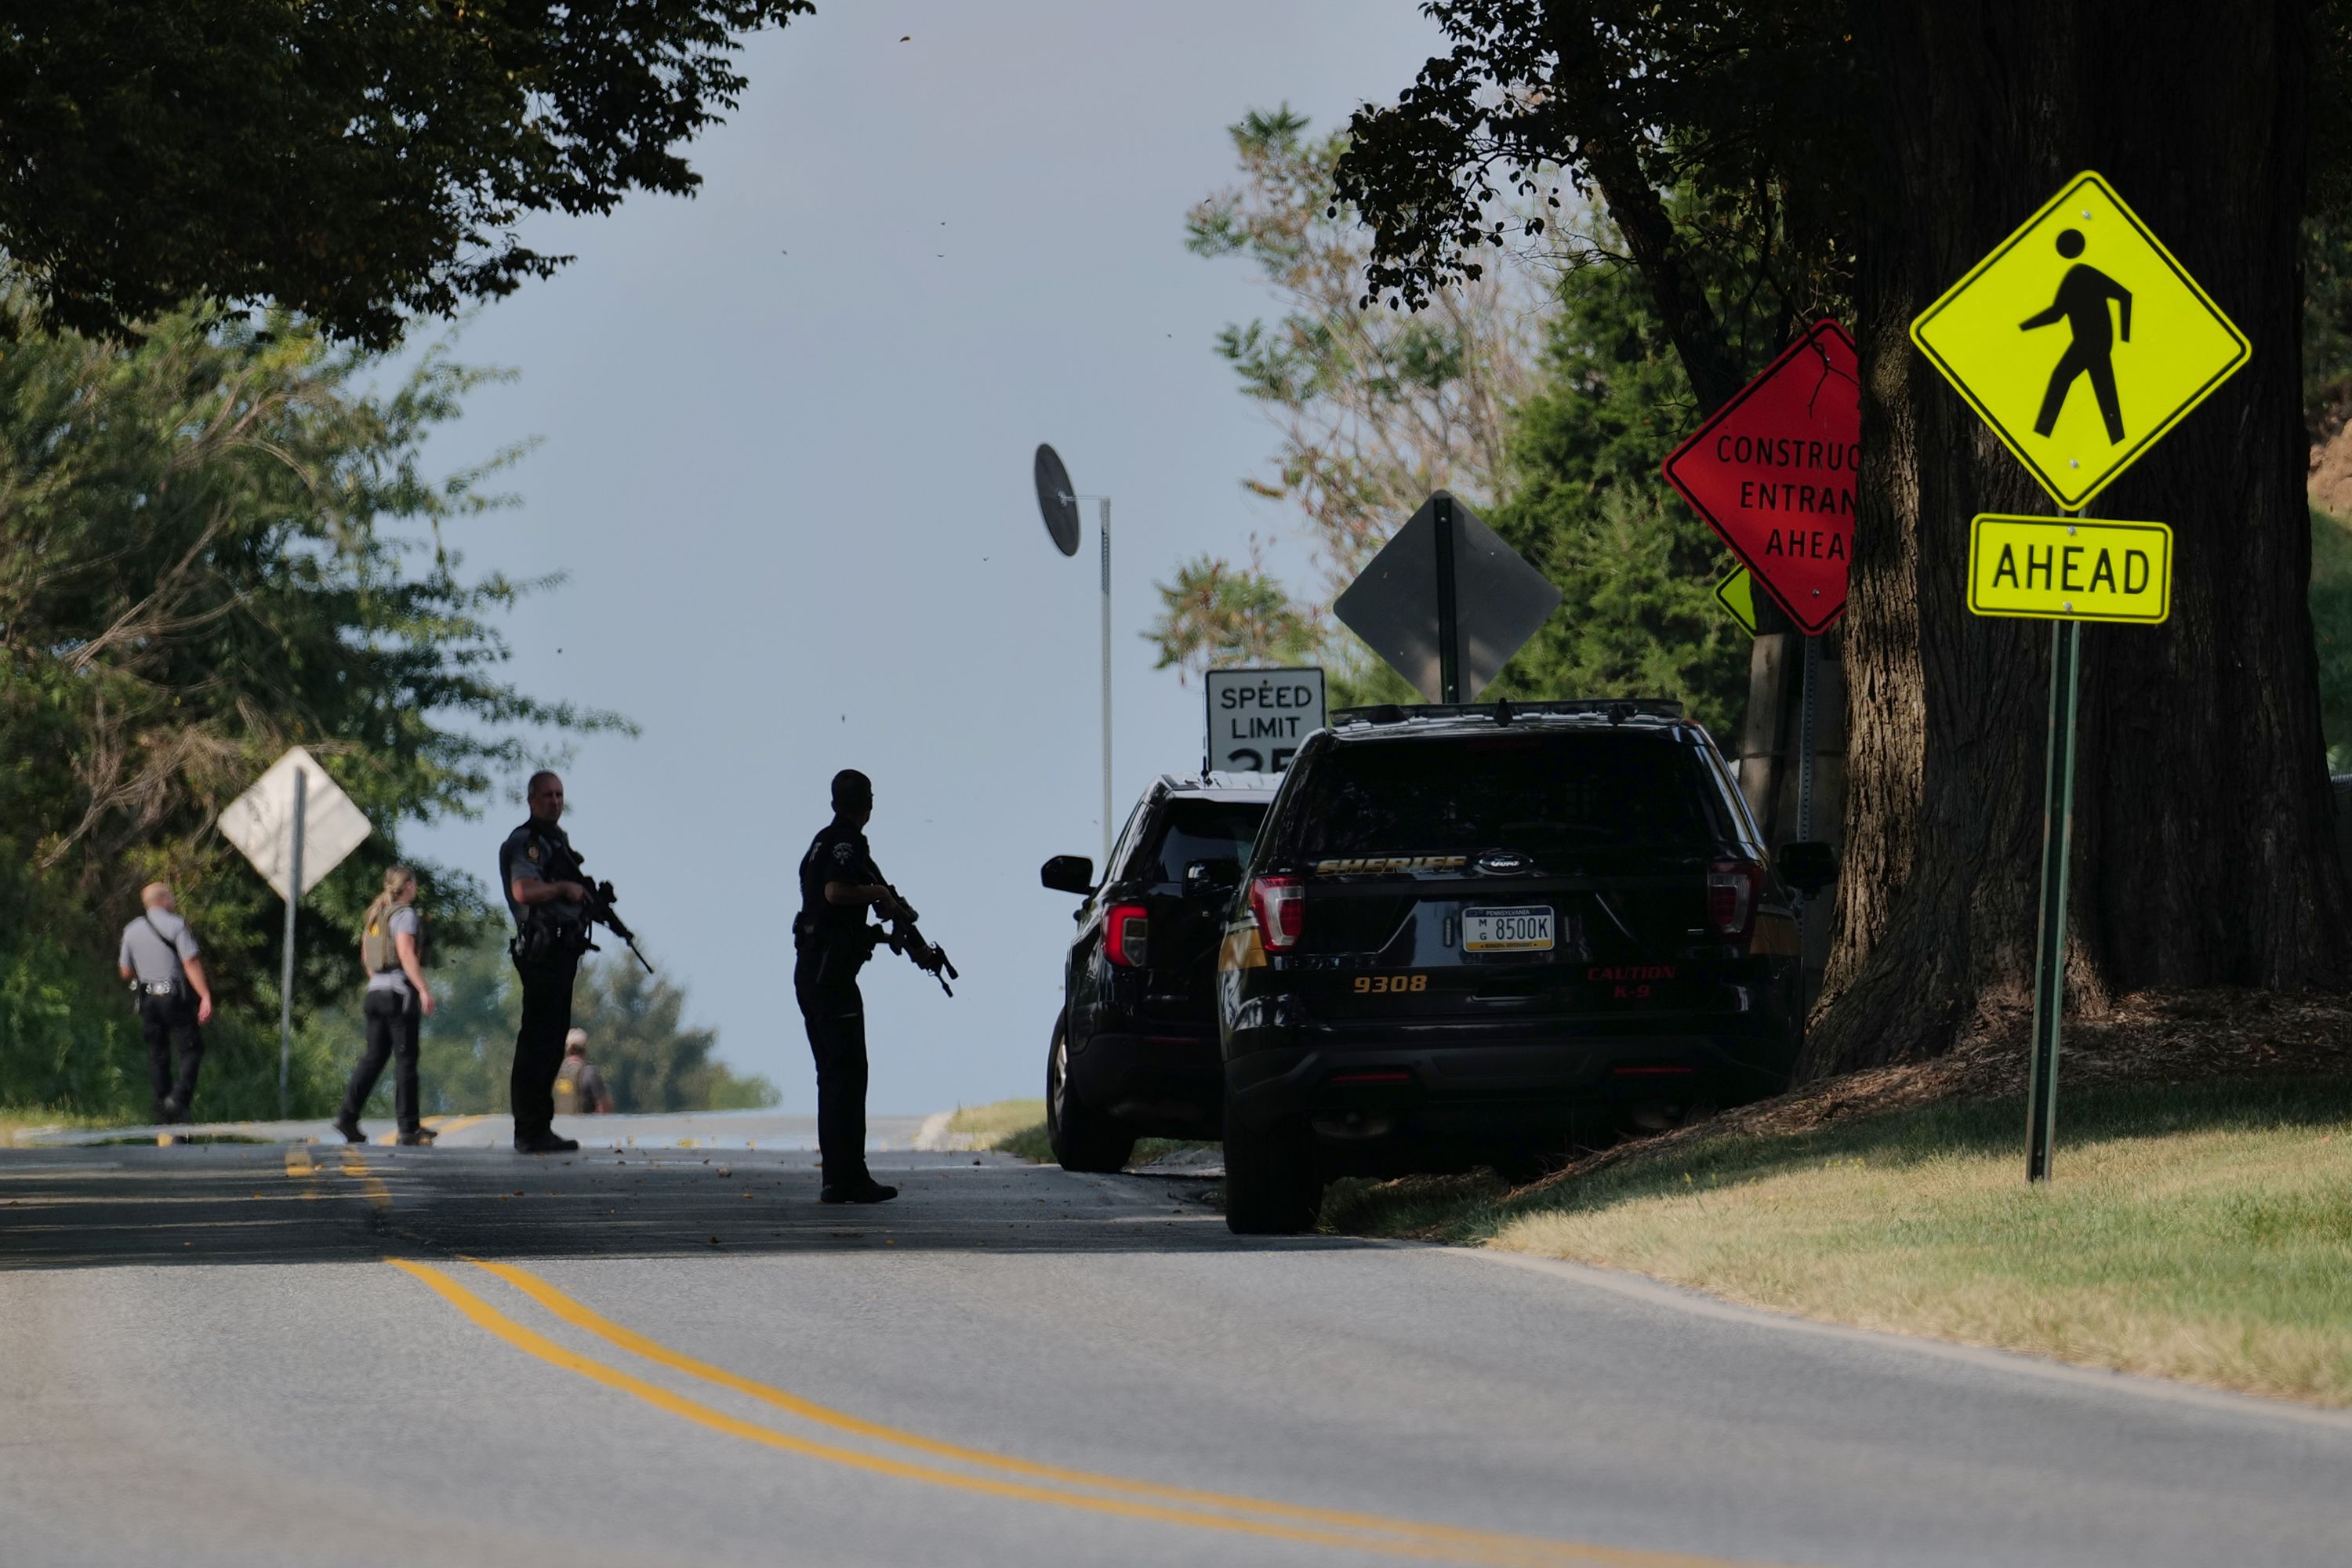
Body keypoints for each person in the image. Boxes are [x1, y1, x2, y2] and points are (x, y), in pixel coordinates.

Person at [794, 769, 909, 1204]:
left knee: (834, 1076)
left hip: (813, 970)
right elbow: (835, 892)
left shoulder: (819, 841)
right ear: (869, 804)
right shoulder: (848, 843)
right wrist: (878, 891)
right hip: (830, 976)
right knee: (848, 1074)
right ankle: (848, 1177)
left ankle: (836, 1177)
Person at [499, 770, 592, 1154]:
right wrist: (564, 889)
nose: (555, 801)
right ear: (532, 800)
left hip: (561, 951)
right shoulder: (529, 843)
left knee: (553, 1041)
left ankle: (540, 1126)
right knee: (538, 1039)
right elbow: (523, 889)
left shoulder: (557, 841)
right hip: (542, 950)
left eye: (559, 795)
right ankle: (529, 1129)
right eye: (547, 795)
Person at [333, 866, 437, 1146]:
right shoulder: (404, 915)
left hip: (374, 992)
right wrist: (423, 989)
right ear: (409, 887)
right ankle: (408, 1128)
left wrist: (379, 980)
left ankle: (347, 1116)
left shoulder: (375, 915)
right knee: (406, 1060)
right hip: (398, 995)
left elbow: (366, 956)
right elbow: (405, 952)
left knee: (374, 1057)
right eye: (414, 883)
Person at [117, 883, 214, 1125]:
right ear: (162, 900)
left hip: (148, 999)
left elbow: (125, 971)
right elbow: (190, 962)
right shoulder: (176, 925)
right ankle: (178, 1099)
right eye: (170, 896)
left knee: (157, 1054)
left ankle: (162, 1110)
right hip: (174, 997)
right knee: (191, 1048)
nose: (173, 900)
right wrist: (205, 995)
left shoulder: (131, 930)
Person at [553, 1029, 615, 1116]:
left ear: (568, 1048)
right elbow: (604, 1106)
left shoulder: (557, 1071)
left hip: (559, 1126)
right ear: (585, 1048)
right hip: (583, 1127)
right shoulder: (590, 1072)